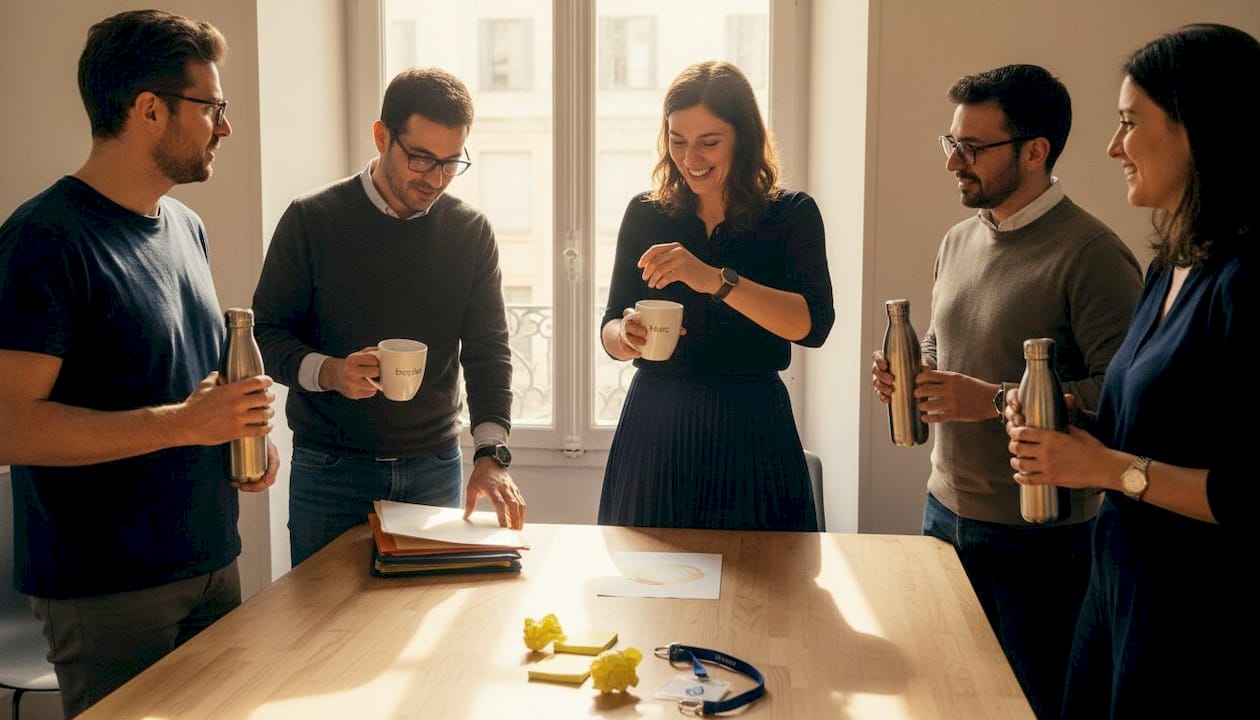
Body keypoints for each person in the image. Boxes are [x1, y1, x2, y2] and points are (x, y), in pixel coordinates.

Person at [0, 10, 280, 717]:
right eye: (210, 107)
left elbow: (176, 386)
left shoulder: (186, 227)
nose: (224, 126)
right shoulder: (43, 240)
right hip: (106, 592)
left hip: (211, 561)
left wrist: (237, 431)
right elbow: (8, 427)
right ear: (148, 110)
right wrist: (185, 425)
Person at [871, 64, 1142, 719]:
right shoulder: (958, 240)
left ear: (1034, 151)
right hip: (943, 519)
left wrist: (990, 400)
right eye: (951, 143)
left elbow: (1121, 397)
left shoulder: (1093, 255)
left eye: (972, 149)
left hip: (1039, 541)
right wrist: (913, 376)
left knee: (1029, 707)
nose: (953, 164)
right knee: (945, 701)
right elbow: (944, 350)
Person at [1005, 24, 1258, 718]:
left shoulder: (1246, 284)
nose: (1113, 148)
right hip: (1117, 581)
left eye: (1127, 124)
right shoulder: (1166, 266)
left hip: (1198, 618)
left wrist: (1107, 471)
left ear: (1196, 129)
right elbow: (1144, 427)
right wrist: (1064, 424)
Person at [252, 67, 525, 568]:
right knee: (319, 630)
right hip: (329, 469)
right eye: (421, 159)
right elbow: (266, 334)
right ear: (382, 137)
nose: (436, 179)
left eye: (450, 163)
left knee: (414, 630)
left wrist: (491, 454)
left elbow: (489, 351)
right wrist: (329, 372)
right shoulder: (312, 219)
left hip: (434, 467)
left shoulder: (470, 232)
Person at [598, 61, 834, 531]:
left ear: (743, 138)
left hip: (753, 426)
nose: (690, 158)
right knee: (648, 591)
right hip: (656, 425)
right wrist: (624, 336)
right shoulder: (646, 213)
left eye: (709, 142)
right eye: (678, 140)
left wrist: (714, 280)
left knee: (766, 593)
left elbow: (811, 326)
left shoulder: (791, 214)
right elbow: (608, 327)